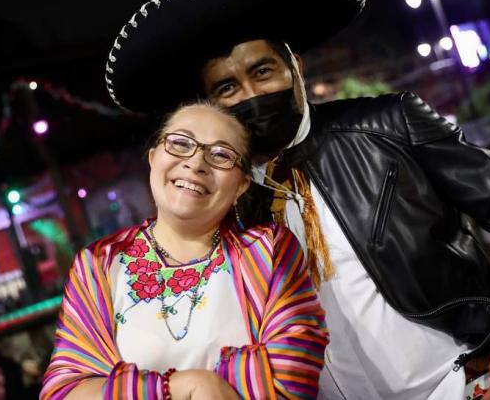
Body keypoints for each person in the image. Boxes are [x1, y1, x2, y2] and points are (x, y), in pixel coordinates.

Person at [105, 0, 490, 399]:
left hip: (461, 386)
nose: (251, 94)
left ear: (296, 69)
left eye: (263, 72)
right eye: (227, 88)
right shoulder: (223, 198)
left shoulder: (387, 126)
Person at [41, 102, 327, 399]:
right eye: (180, 143)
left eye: (221, 154)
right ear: (154, 157)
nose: (196, 163)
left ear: (242, 184)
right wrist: (188, 386)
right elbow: (65, 391)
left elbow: (294, 377)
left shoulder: (269, 250)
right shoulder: (100, 264)